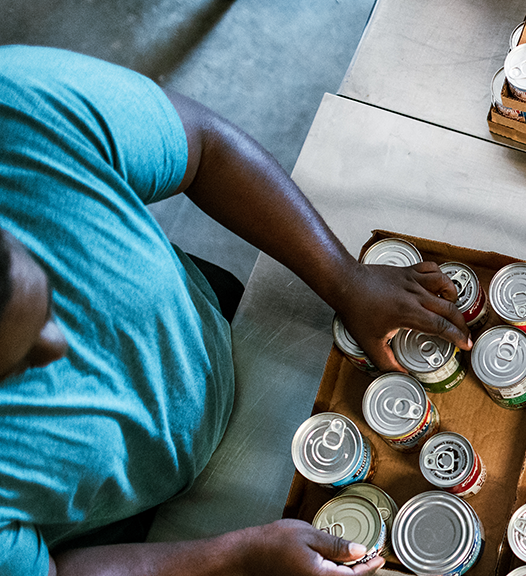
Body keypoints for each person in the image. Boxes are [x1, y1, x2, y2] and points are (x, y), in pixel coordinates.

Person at [0, 45, 473, 575]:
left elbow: (203, 146)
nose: (60, 345)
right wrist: (234, 555)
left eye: (49, 292)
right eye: (12, 367)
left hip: (214, 324)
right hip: (122, 533)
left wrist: (347, 279)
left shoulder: (16, 110)